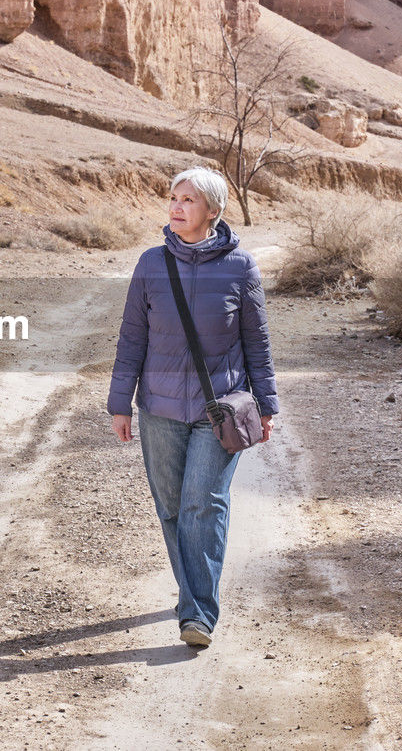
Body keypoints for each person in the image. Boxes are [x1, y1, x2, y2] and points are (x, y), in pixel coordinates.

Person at [106, 167, 279, 648]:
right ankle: (192, 590)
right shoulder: (150, 264)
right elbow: (131, 340)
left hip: (219, 410)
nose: (176, 207)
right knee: (172, 507)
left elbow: (256, 343)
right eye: (173, 198)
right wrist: (121, 403)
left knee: (203, 504)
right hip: (160, 409)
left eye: (188, 200)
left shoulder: (241, 267)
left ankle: (198, 613)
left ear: (213, 211)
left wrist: (265, 405)